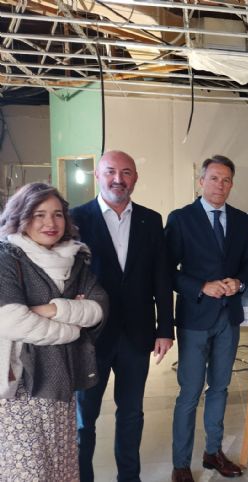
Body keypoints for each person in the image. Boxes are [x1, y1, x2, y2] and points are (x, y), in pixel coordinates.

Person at [73, 150, 175, 482]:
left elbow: (161, 277)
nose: (119, 179)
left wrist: (165, 328)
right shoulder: (75, 219)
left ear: (135, 178)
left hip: (136, 334)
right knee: (84, 419)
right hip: (89, 338)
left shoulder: (150, 219)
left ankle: (129, 477)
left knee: (131, 414)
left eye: (126, 172)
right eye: (111, 172)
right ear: (97, 175)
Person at [0, 183, 107, 481]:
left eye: (57, 214)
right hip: (21, 388)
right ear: (21, 217)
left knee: (60, 467)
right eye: (39, 214)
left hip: (61, 383)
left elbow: (98, 307)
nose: (50, 222)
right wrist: (72, 330)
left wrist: (50, 309)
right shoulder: (7, 257)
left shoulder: (75, 258)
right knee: (28, 471)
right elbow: (11, 321)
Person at [165, 155, 248, 482]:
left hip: (228, 317)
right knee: (190, 393)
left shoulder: (241, 220)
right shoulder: (181, 219)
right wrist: (201, 286)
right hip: (194, 318)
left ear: (232, 184)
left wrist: (239, 282)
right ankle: (180, 463)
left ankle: (213, 452)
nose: (220, 185)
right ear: (201, 181)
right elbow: (167, 271)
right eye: (214, 178)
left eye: (226, 180)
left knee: (220, 387)